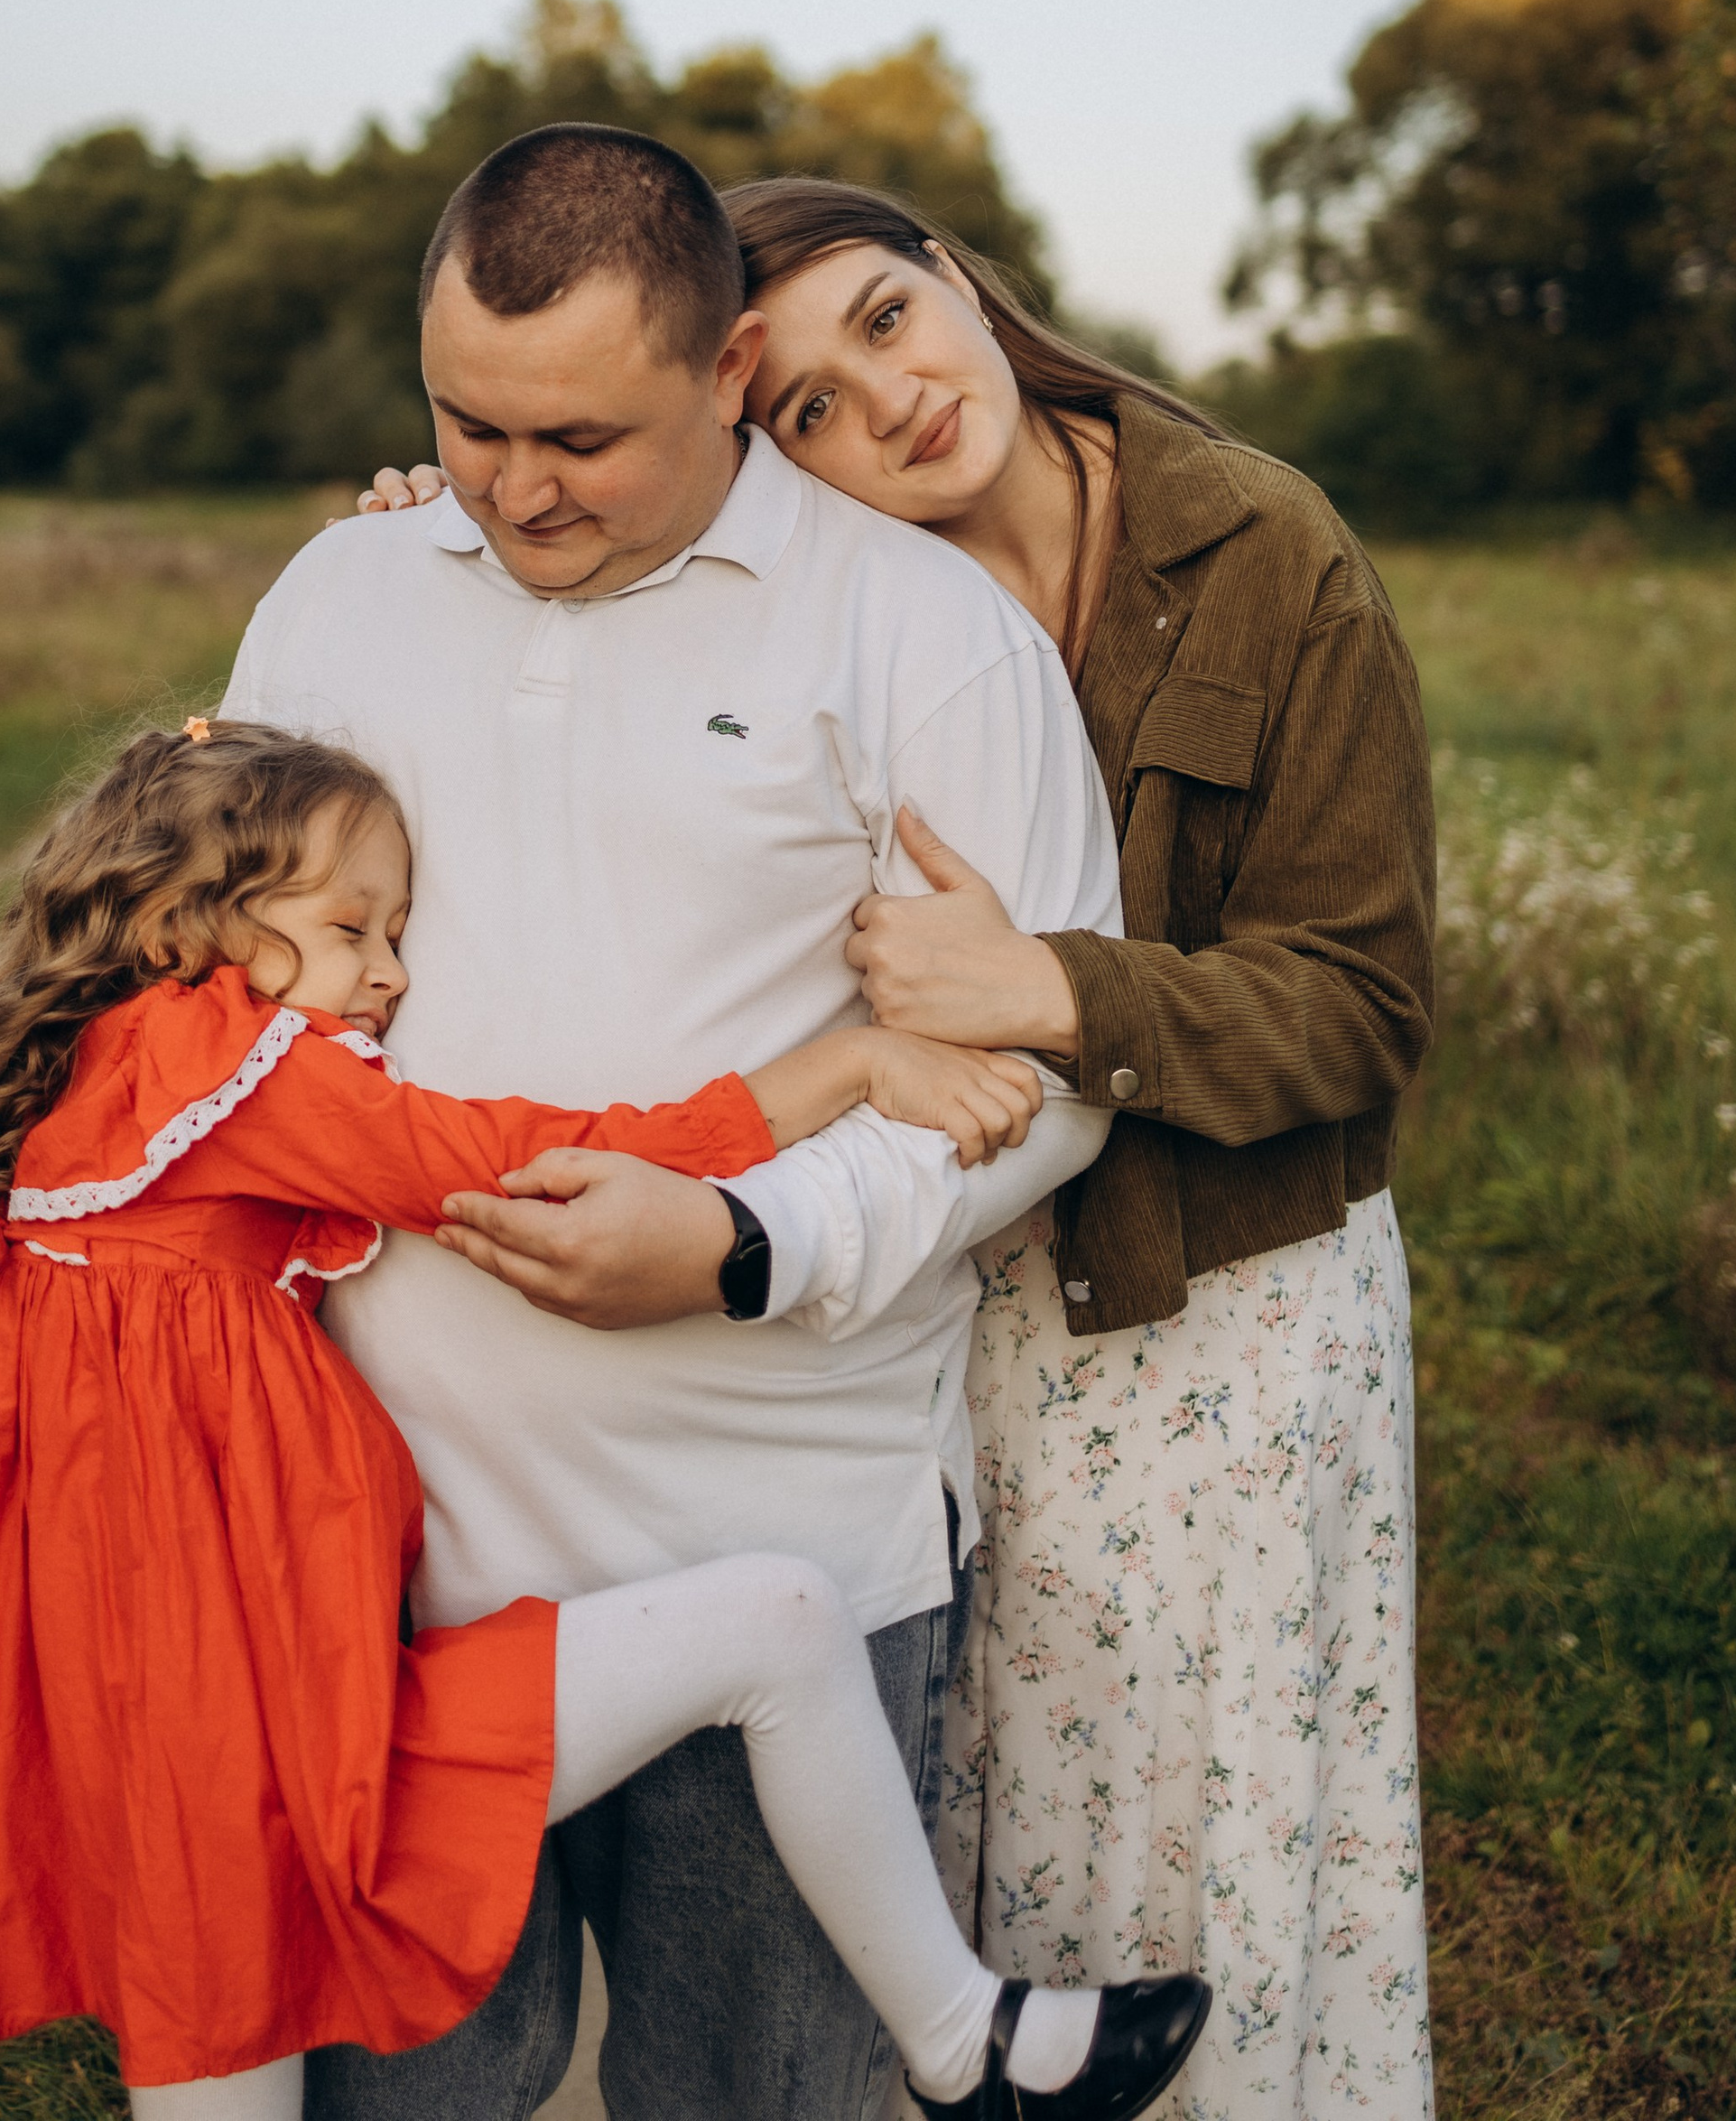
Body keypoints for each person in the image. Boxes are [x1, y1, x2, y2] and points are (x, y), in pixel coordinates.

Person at [362, 174, 1437, 2119]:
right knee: (954, 1837)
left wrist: (1055, 989)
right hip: (965, 1320)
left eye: (888, 317)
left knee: (1192, 1839)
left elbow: (1359, 1006)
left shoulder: (1259, 550)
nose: (890, 403)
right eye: (808, 410)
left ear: (954, 270)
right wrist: (429, 525)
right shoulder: (838, 604)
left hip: (1212, 1310)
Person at [0, 716, 1210, 2121]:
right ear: (195, 926)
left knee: (783, 1623)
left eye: (399, 929)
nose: (391, 972)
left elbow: (0, 1261)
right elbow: (506, 1161)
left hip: (290, 1727)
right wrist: (845, 1071)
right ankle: (964, 2047)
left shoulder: (112, 1098)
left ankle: (969, 2044)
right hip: (238, 1768)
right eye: (351, 926)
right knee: (777, 1623)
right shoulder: (209, 1064)